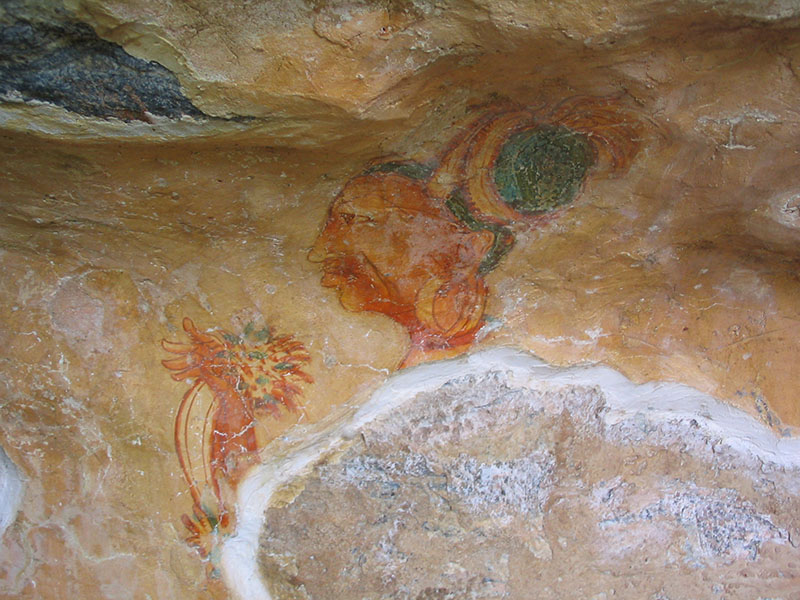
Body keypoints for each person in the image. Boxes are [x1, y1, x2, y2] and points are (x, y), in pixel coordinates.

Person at [309, 97, 643, 367]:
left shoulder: (491, 360)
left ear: (471, 247)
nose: (319, 251)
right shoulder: (427, 361)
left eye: (363, 221)